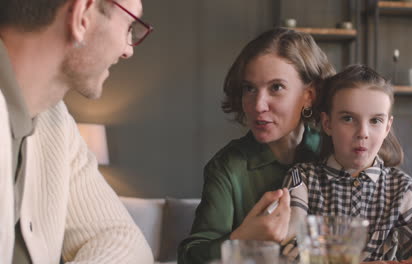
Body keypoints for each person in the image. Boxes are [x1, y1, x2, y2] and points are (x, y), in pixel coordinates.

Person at [0, 0, 154, 263]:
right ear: (82, 16)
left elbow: (122, 237)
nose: (128, 49)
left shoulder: (55, 123)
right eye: (130, 25)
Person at [178, 27, 336, 264]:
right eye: (249, 88)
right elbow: (190, 256)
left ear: (309, 95)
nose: (258, 105)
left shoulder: (334, 151)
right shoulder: (227, 166)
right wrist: (242, 238)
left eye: (276, 87)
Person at [284, 65, 412, 262]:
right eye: (348, 118)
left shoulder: (404, 190)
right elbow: (290, 253)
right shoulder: (302, 180)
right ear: (327, 123)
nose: (363, 132)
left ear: (387, 127)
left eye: (375, 121)